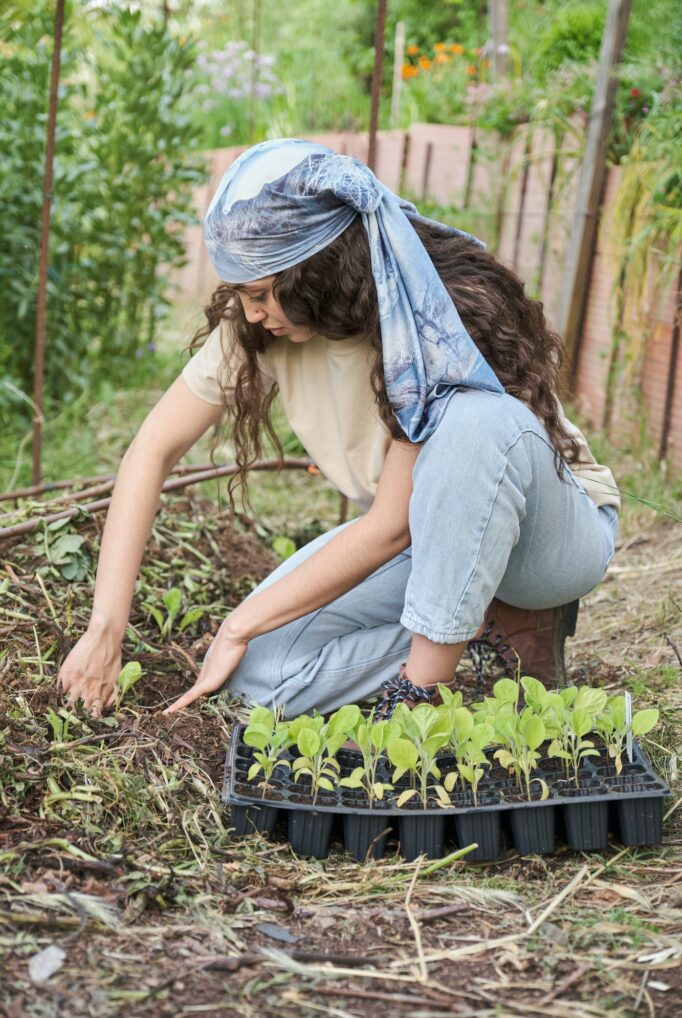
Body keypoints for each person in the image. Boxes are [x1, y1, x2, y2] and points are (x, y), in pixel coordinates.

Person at [58, 138, 620, 721]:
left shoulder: (434, 310)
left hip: (547, 541)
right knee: (260, 678)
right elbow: (152, 449)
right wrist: (106, 629)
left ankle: (420, 699)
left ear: (313, 270)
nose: (250, 313)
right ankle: (483, 632)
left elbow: (386, 528)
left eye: (258, 293)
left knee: (473, 420)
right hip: (430, 539)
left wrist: (236, 623)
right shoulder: (260, 329)